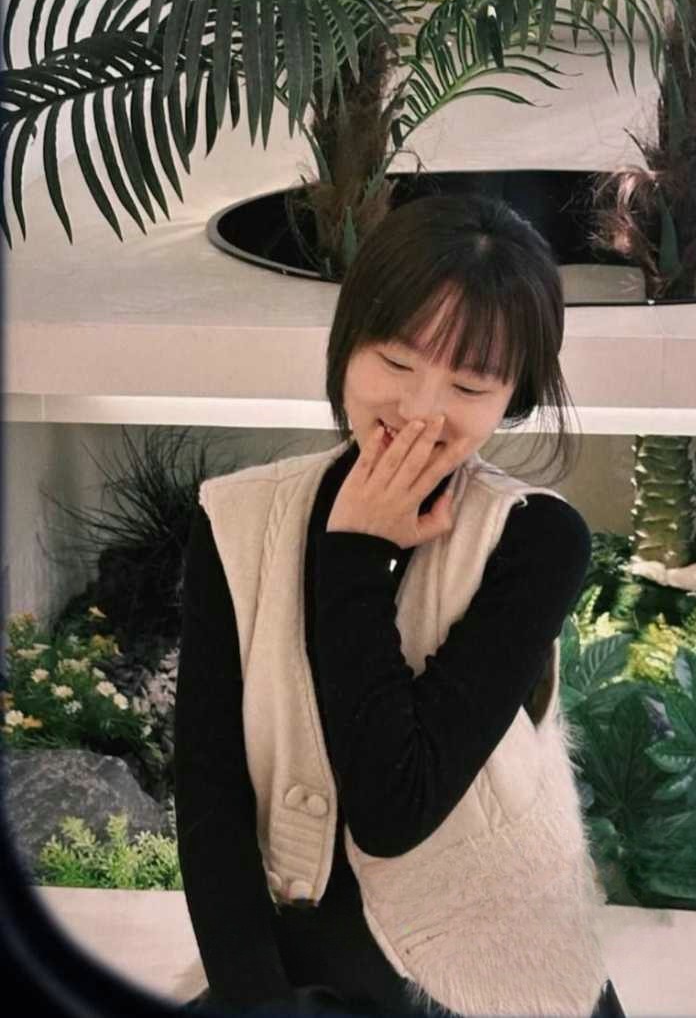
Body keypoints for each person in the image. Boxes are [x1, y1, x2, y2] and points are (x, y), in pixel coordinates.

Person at [175, 193, 626, 1018]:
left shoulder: (536, 540)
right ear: (346, 345)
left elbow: (395, 806)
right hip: (303, 965)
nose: (420, 409)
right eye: (394, 360)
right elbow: (211, 799)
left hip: (495, 975)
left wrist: (353, 550)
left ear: (512, 398)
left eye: (469, 383)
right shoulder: (234, 521)